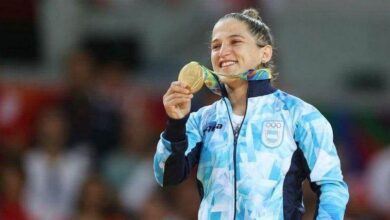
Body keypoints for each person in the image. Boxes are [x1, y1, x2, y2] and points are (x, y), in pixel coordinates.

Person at [154, 8, 349, 220]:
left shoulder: (299, 115)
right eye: (216, 46)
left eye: (235, 42)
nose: (223, 52)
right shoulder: (201, 120)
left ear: (264, 53)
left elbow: (331, 186)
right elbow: (166, 176)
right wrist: (175, 125)